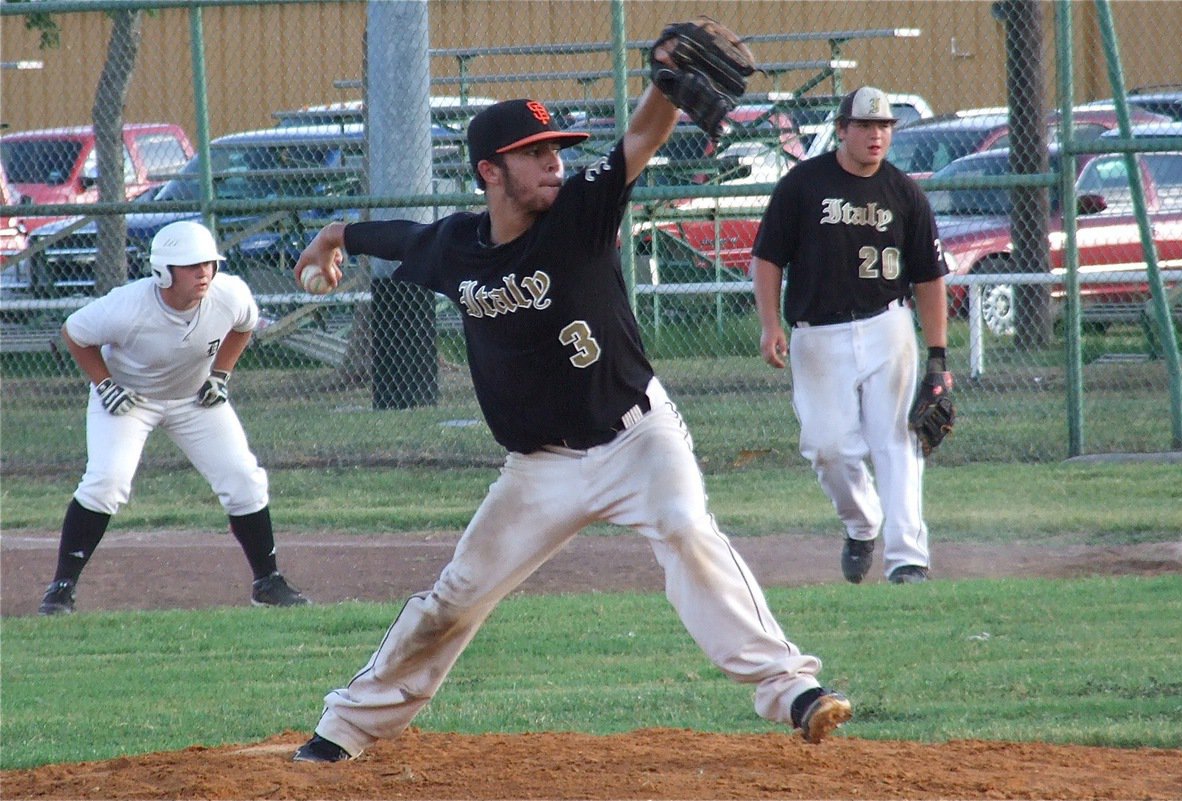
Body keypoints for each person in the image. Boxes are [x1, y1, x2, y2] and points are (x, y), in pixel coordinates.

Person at [288, 43, 852, 764]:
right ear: (491, 171)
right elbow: (396, 236)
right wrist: (333, 235)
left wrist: (665, 86)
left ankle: (791, 689)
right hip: (539, 469)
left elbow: (640, 139)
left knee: (686, 527)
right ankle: (344, 729)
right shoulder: (457, 247)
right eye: (534, 152)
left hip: (635, 439)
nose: (555, 160)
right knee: (455, 596)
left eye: (557, 147)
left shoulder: (580, 213)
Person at [37, 220, 309, 615]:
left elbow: (244, 326)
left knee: (243, 478)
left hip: (193, 398)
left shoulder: (229, 293)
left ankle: (268, 582)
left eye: (209, 264)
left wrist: (220, 374)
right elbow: (75, 333)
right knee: (106, 481)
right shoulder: (127, 305)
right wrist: (105, 383)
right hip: (130, 399)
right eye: (192, 265)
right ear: (163, 271)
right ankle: (61, 588)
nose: (204, 273)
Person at [749, 86, 951, 586]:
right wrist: (770, 324)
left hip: (888, 326)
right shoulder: (803, 185)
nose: (876, 135)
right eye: (864, 125)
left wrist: (938, 355)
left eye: (883, 126)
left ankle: (907, 559)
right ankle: (862, 525)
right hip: (818, 335)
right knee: (827, 448)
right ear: (841, 129)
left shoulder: (905, 193)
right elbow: (767, 258)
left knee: (898, 441)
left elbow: (929, 277)